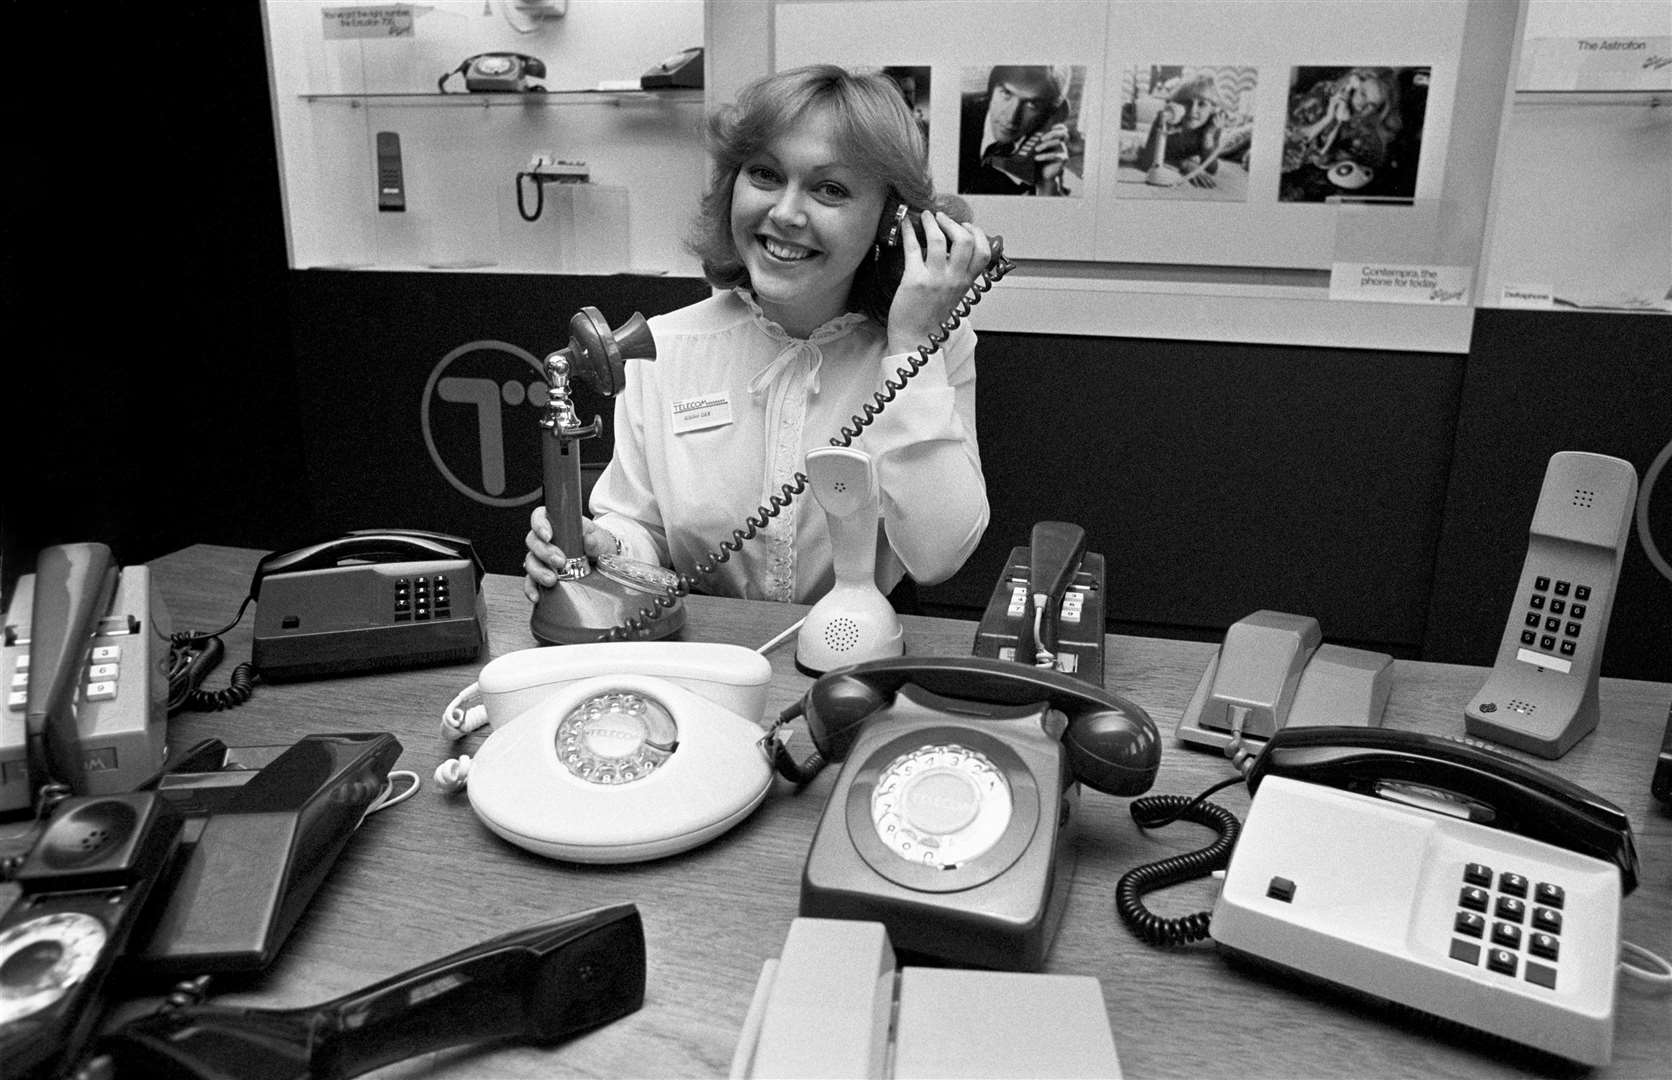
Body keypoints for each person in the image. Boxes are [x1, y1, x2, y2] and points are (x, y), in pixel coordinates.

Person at [523, 64, 994, 606]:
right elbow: (641, 531)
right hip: (703, 656)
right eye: (765, 175)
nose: (786, 212)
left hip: (855, 664)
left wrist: (911, 348)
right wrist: (602, 544)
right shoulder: (660, 346)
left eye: (830, 189)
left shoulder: (930, 349)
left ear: (894, 221)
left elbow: (938, 559)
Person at [958, 65, 1076, 196]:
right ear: (991, 91)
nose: (1011, 117)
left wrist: (1049, 183)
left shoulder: (1042, 144)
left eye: (1032, 104)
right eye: (1006, 94)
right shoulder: (956, 113)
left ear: (1048, 113)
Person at [1139, 75, 1223, 188]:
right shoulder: (1167, 118)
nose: (1193, 110)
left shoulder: (1212, 126)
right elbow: (1146, 162)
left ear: (1213, 109)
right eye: (1187, 102)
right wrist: (1185, 164)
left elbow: (1211, 169)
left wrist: (1208, 135)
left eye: (1202, 104)